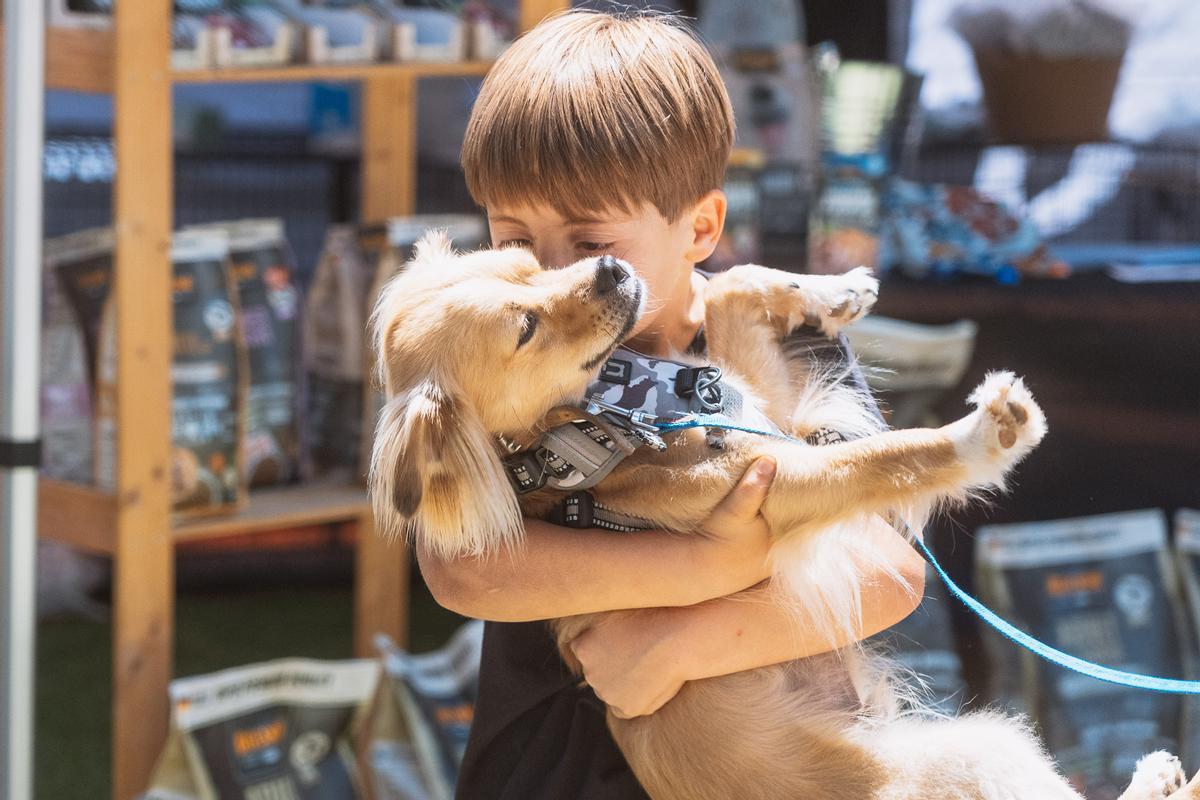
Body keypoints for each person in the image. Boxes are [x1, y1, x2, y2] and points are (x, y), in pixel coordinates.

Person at [419, 10, 927, 798]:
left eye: (592, 247)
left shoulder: (782, 333)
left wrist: (679, 645)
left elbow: (890, 573)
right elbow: (460, 568)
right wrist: (704, 562)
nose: (554, 278)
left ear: (701, 227)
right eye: (514, 242)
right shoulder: (506, 356)